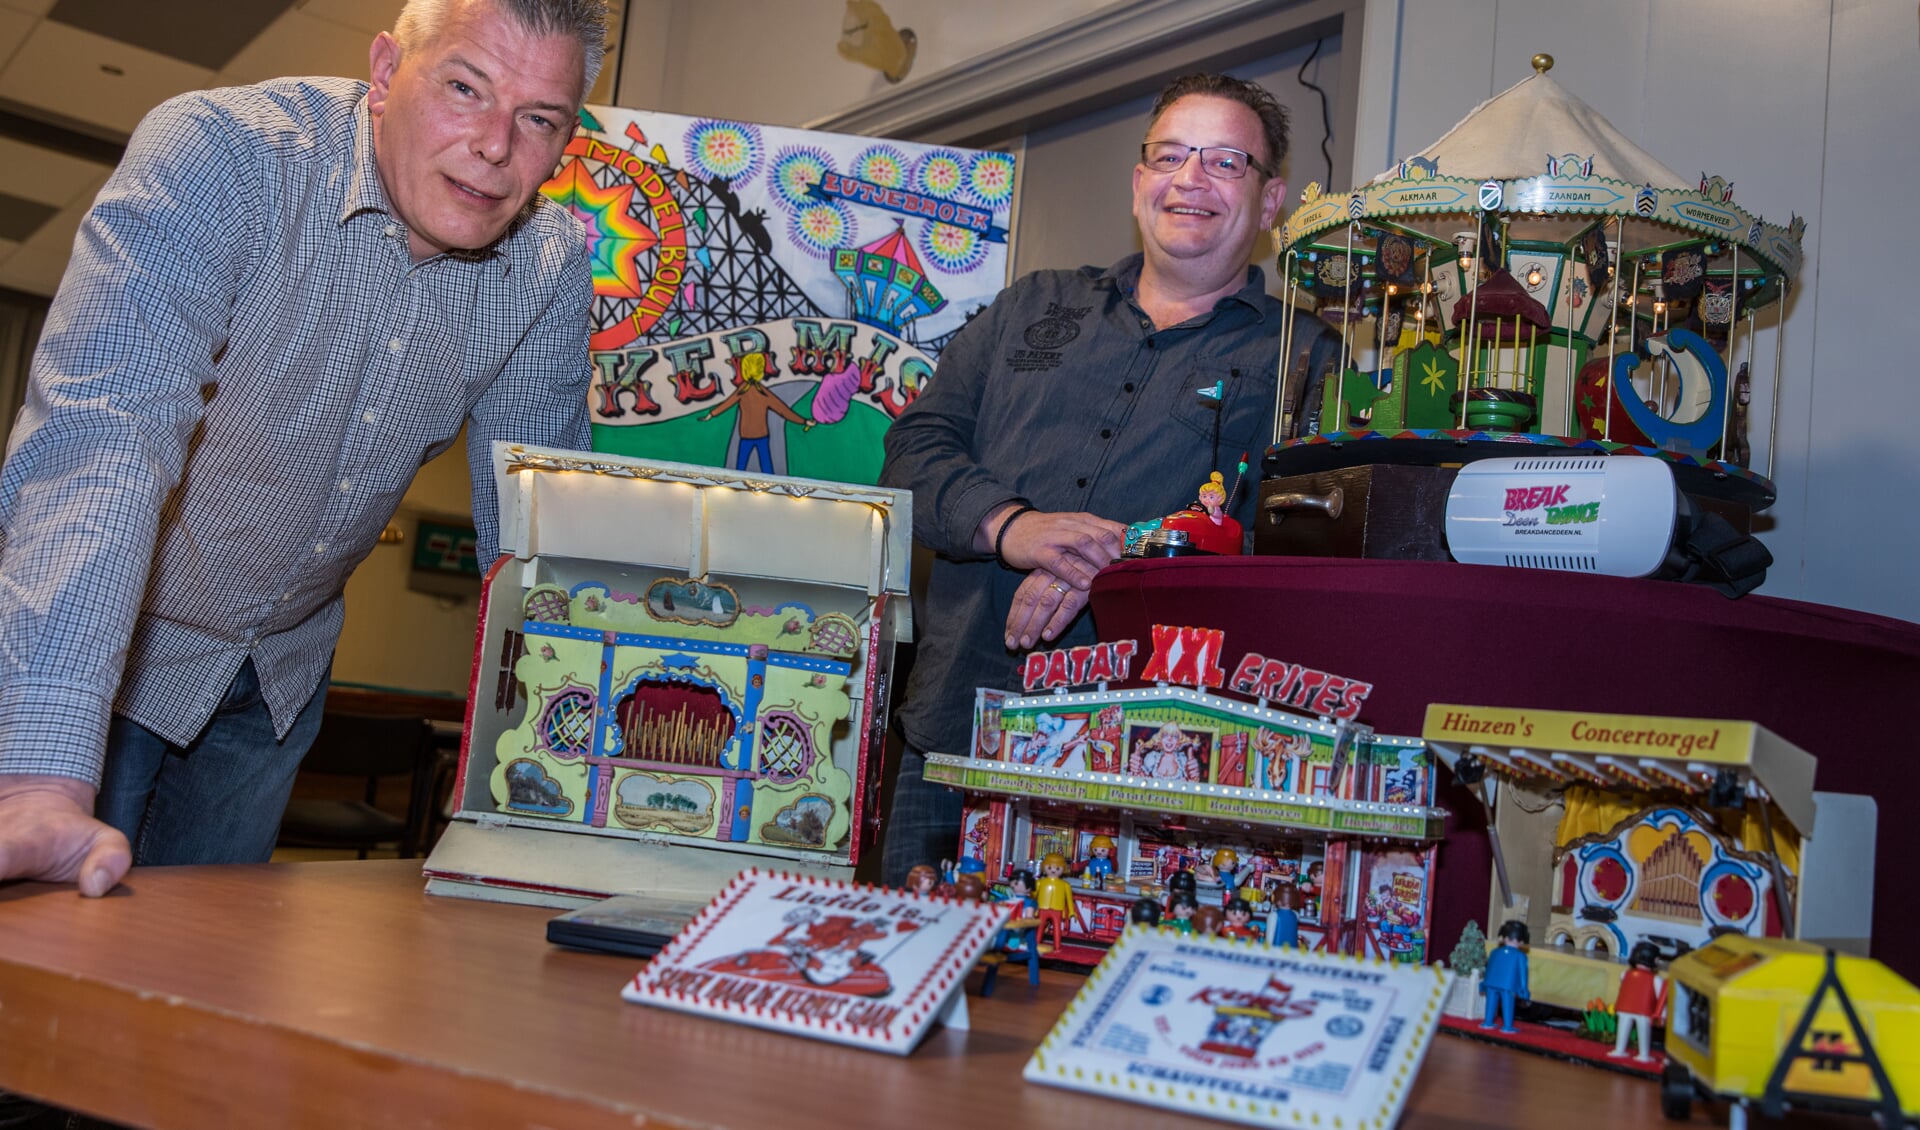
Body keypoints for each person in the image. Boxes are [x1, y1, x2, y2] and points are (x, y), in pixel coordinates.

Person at [0, 0, 608, 895]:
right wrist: (37, 779)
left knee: (202, 988)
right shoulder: (223, 154)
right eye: (465, 88)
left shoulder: (549, 267)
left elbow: (536, 535)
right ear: (385, 71)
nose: (493, 145)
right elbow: (104, 438)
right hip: (106, 659)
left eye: (539, 120)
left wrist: (556, 784)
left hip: (277, 677)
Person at [877, 71, 1331, 885]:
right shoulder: (1030, 307)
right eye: (1171, 155)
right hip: (954, 722)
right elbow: (915, 450)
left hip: (1149, 752)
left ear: (1270, 203)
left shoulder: (1305, 360)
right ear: (1139, 181)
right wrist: (1013, 528)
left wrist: (1126, 556)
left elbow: (1299, 545)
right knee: (903, 978)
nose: (1190, 179)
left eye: (1227, 162)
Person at [1480, 919, 1531, 1033]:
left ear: (1504, 938)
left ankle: (1488, 1022)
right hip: (1508, 986)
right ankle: (1507, 1026)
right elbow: (1523, 975)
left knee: (1491, 1003)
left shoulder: (1494, 952)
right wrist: (1524, 988)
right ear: (1521, 941)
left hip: (1491, 983)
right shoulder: (1521, 956)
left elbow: (1489, 968)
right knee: (1508, 1005)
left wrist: (1484, 982)